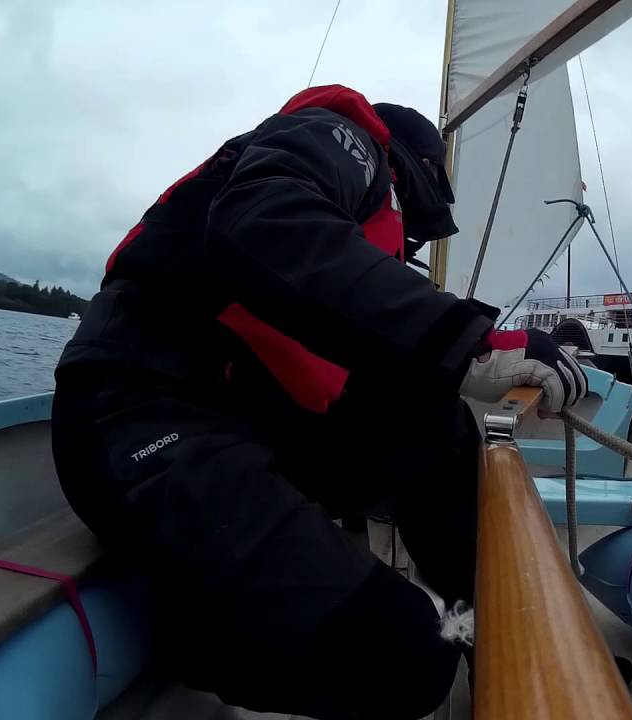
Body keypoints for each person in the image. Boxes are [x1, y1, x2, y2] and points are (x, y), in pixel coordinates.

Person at [51, 84, 587, 719]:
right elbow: (266, 221)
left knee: (434, 426)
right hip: (138, 422)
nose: (407, 246)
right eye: (412, 231)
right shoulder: (343, 142)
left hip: (239, 415)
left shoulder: (344, 176)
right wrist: (471, 344)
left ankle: (497, 633)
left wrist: (512, 351)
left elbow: (360, 362)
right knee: (412, 659)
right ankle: (183, 647)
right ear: (411, 173)